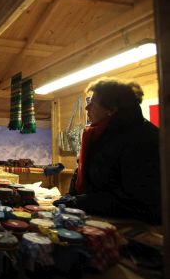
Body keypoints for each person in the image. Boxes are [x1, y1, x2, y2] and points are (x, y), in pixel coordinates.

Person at [55, 78, 161, 223]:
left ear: (111, 109)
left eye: (93, 103)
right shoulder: (99, 134)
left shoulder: (143, 140)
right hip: (96, 218)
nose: (87, 108)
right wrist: (71, 197)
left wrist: (78, 201)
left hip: (133, 229)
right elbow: (87, 176)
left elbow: (135, 200)